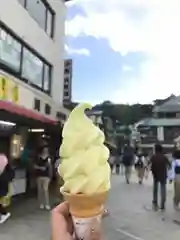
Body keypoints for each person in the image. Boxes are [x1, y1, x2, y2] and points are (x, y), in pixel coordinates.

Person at [149, 144, 170, 211]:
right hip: (163, 175)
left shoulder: (153, 157)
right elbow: (169, 165)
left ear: (155, 149)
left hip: (155, 174)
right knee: (163, 189)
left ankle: (155, 202)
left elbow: (148, 163)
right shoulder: (164, 157)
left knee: (155, 189)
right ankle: (162, 204)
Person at [0, 154, 14, 224]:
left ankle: (4, 213)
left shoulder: (8, 169)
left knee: (1, 202)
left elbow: (10, 177)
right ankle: (4, 213)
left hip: (3, 187)